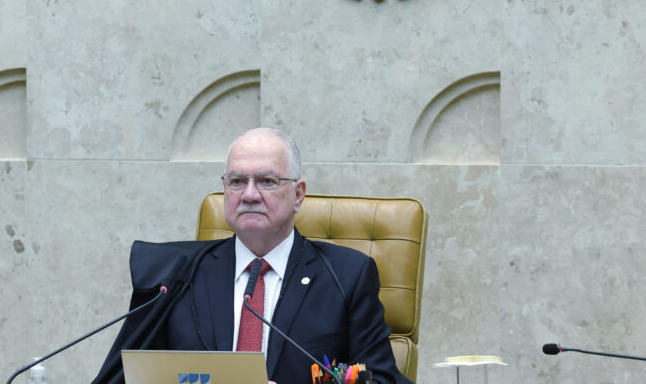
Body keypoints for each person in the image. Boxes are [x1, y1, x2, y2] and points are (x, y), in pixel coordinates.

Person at [92, 128, 413, 384]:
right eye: (236, 181)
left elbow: (381, 379)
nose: (248, 194)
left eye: (266, 181)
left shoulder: (347, 276)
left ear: (298, 194)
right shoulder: (174, 276)